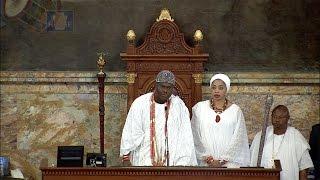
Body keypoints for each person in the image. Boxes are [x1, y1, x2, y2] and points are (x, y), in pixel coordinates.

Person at [120, 70, 197, 166]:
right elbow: (131, 132)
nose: (165, 90)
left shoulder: (179, 107)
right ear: (156, 85)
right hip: (143, 161)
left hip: (172, 163)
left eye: (169, 88)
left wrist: (183, 163)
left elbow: (185, 137)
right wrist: (126, 157)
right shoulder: (140, 104)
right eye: (162, 86)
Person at [191, 73, 250, 167]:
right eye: (214, 88)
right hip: (205, 163)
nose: (216, 91)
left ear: (227, 89)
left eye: (221, 88)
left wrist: (222, 160)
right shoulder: (199, 108)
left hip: (229, 163)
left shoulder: (235, 111)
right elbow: (195, 135)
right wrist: (208, 159)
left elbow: (239, 138)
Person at [250, 105, 314, 180]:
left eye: (280, 117)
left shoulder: (296, 137)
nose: (277, 120)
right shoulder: (261, 135)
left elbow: (304, 167)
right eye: (274, 116)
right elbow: (251, 161)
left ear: (288, 118)